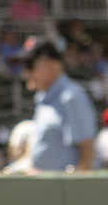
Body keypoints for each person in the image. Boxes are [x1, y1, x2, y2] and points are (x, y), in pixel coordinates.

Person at [22, 39, 97, 172]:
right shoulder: (43, 98)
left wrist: (76, 189)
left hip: (67, 190)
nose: (26, 73)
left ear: (52, 65)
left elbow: (87, 152)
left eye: (30, 66)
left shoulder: (71, 97)